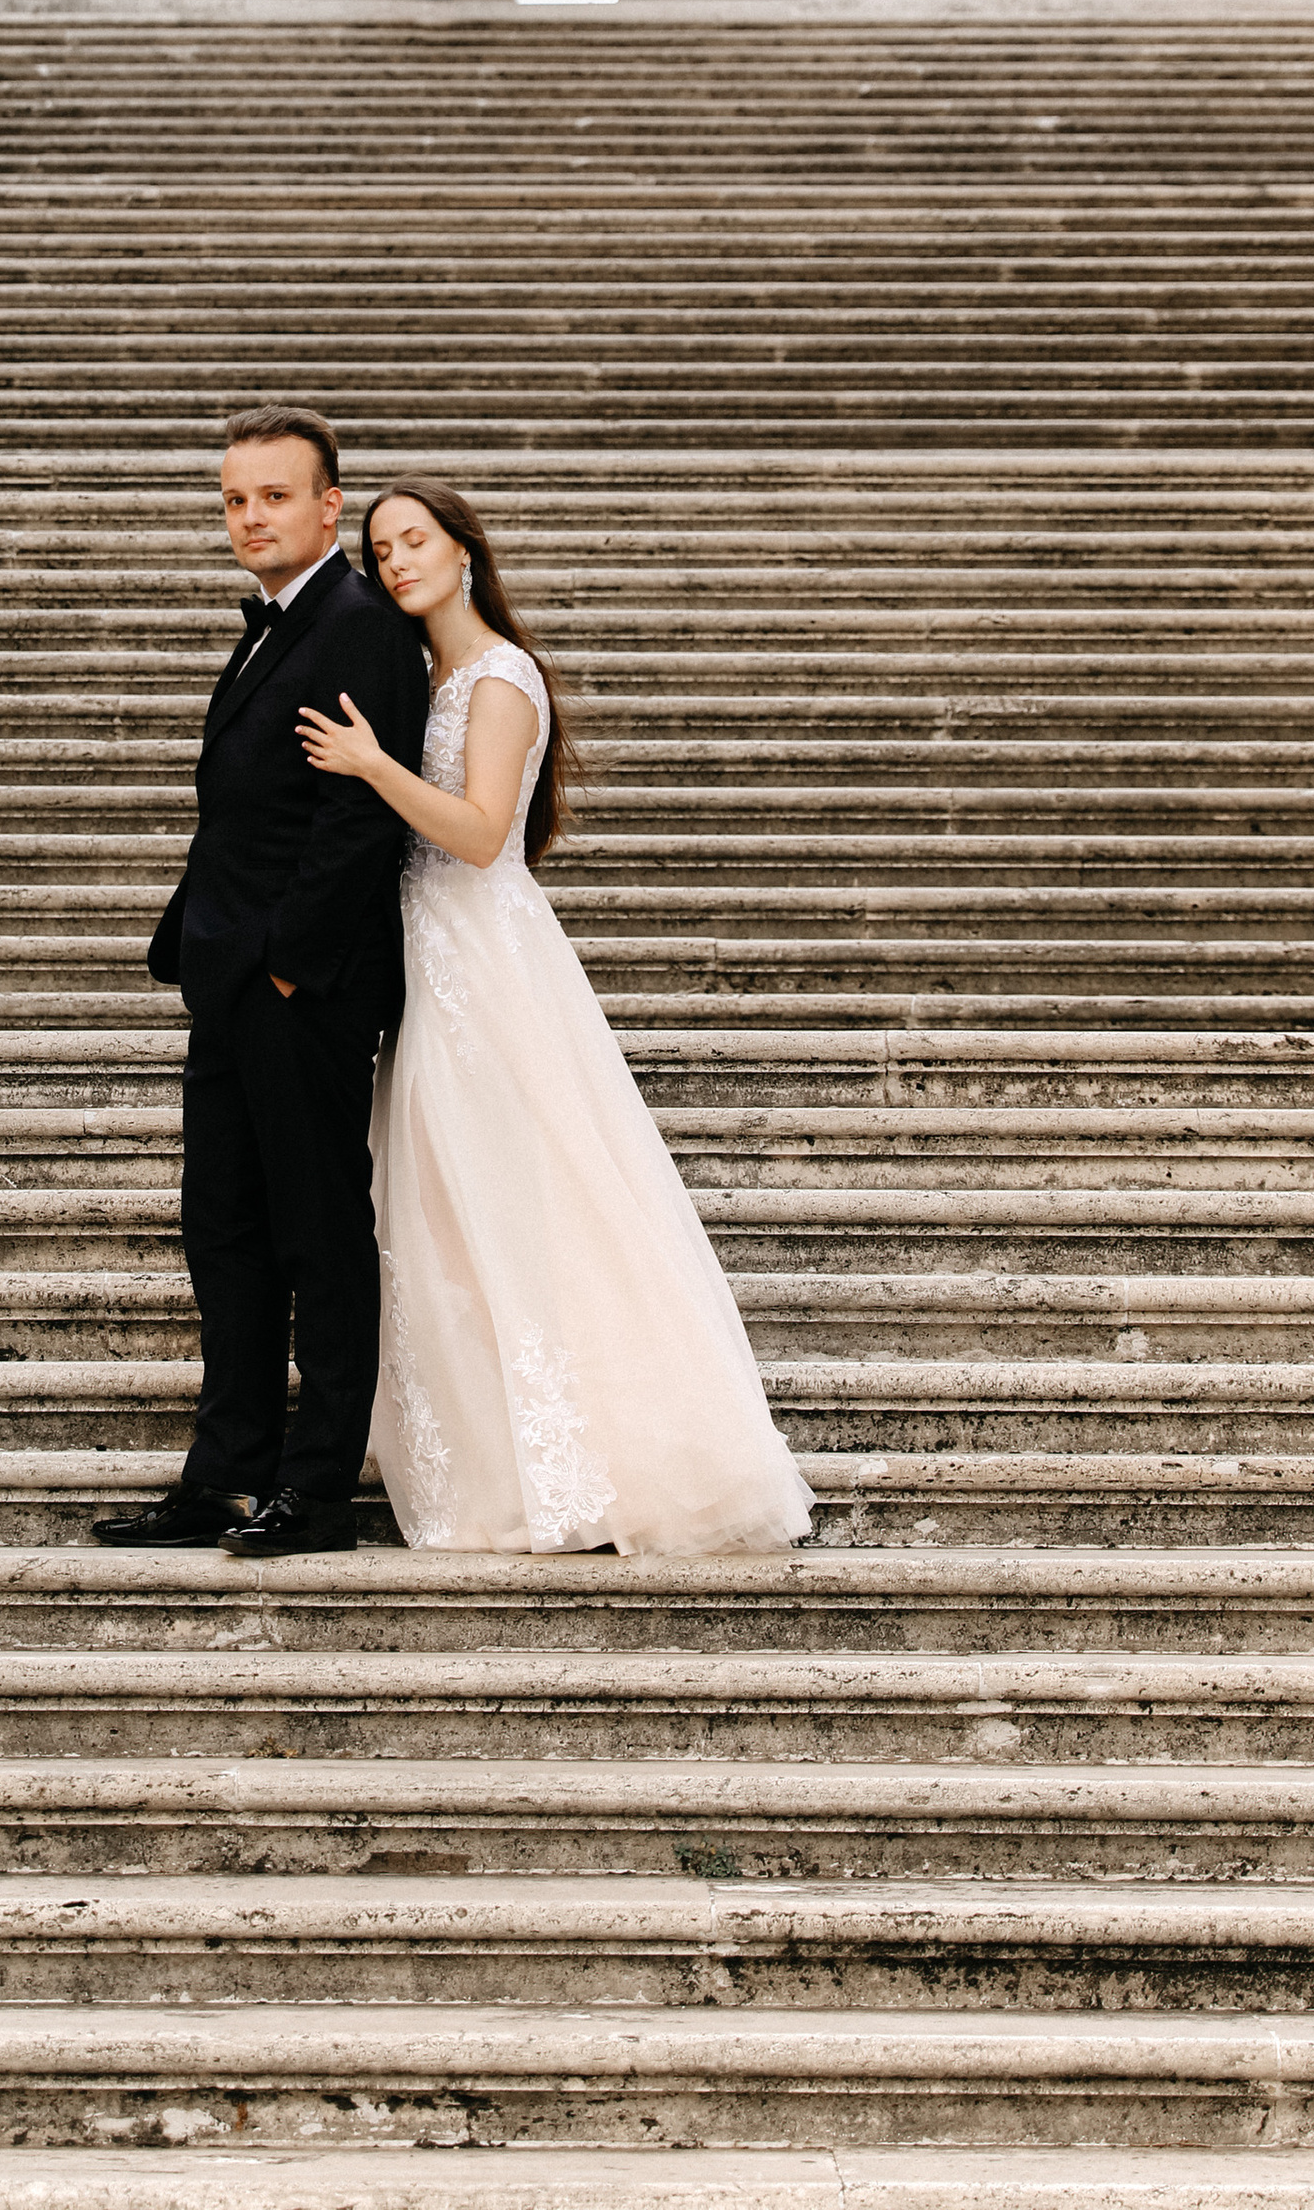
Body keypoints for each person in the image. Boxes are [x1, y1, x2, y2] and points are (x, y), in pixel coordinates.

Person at [297, 481, 813, 1558]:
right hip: (425, 956)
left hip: (485, 959)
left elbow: (483, 833)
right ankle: (506, 1458)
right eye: (380, 550)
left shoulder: (500, 677)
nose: (396, 563)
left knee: (526, 1194)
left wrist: (373, 765)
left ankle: (603, 1455)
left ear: (464, 553)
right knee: (447, 1207)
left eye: (415, 541)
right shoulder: (425, 678)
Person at [94, 406, 429, 1562]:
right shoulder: (276, 625)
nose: (249, 517)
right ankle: (224, 1470)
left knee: (317, 1232)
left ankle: (317, 1487)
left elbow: (359, 818)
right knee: (223, 1228)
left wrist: (288, 963)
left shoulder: (361, 626)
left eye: (273, 496)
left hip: (302, 987)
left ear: (331, 506)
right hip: (228, 979)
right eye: (235, 499)